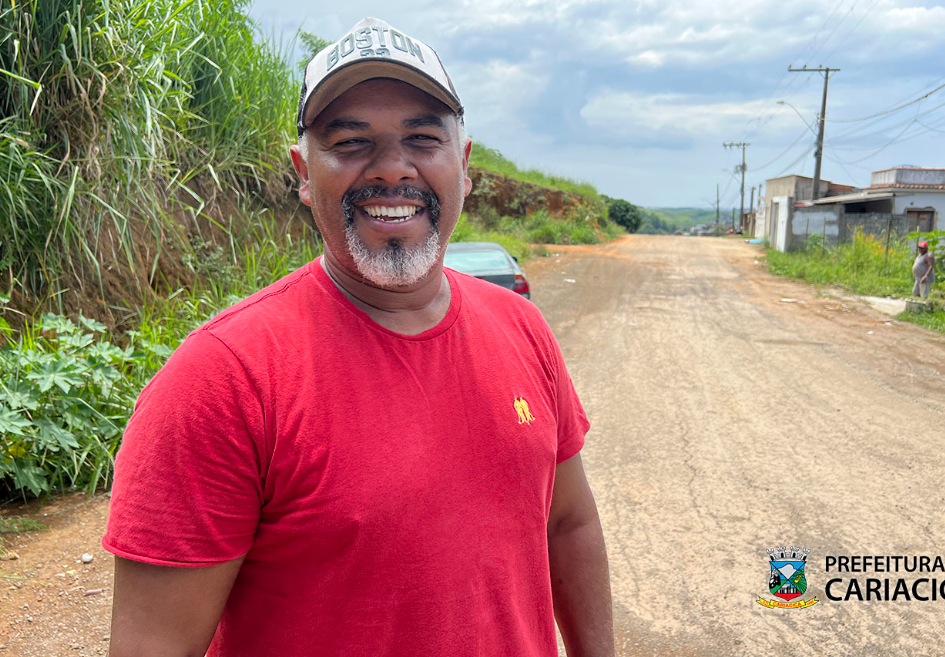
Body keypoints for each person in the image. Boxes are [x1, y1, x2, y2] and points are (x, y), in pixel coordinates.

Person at [103, 16, 614, 657]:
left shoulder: (522, 327)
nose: (392, 170)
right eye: (350, 142)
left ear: (464, 163)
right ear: (302, 171)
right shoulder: (222, 378)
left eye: (422, 138)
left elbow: (568, 523)